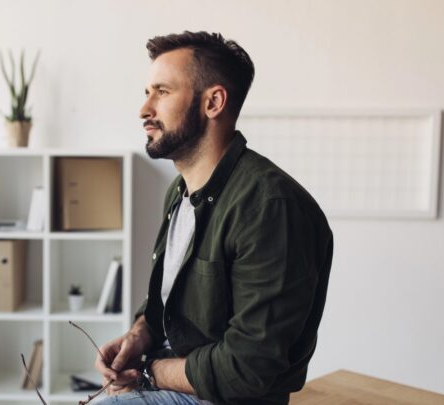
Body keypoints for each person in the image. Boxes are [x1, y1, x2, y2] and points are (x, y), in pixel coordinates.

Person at [94, 31, 334, 405]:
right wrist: (138, 337)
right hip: (176, 378)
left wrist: (147, 370)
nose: (144, 109)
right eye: (146, 92)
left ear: (213, 102)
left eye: (162, 91)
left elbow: (248, 367)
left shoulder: (271, 206)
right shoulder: (179, 192)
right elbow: (170, 301)